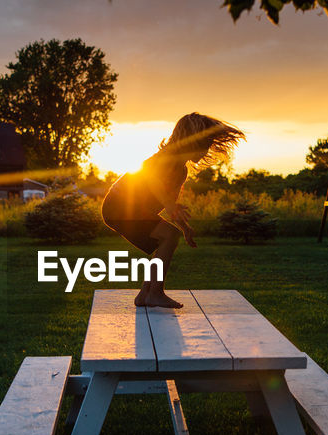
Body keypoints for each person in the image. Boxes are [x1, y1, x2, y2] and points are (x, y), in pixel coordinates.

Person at [101, 112, 245, 307]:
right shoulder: (166, 157)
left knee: (168, 237)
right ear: (192, 143)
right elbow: (150, 177)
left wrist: (184, 227)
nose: (205, 153)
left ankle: (145, 294)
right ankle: (156, 293)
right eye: (204, 147)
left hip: (126, 210)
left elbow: (171, 204)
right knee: (169, 236)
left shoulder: (181, 170)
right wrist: (169, 205)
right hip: (119, 205)